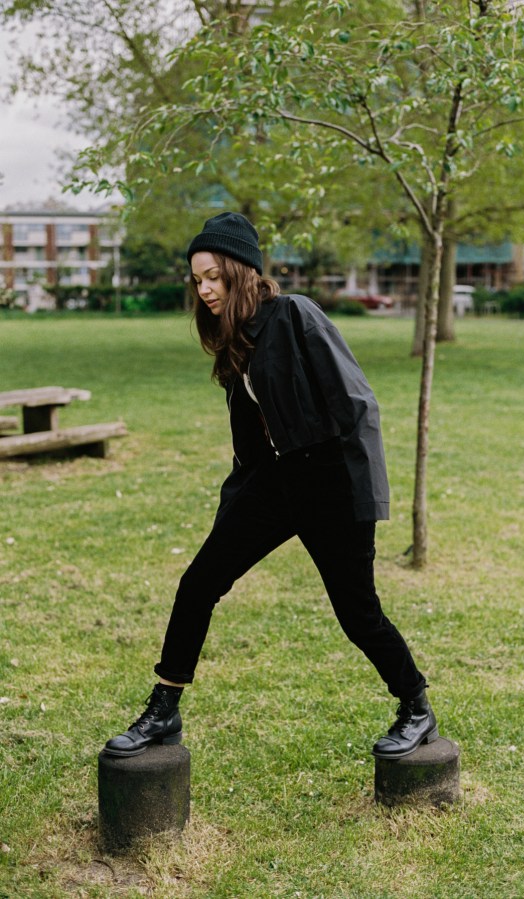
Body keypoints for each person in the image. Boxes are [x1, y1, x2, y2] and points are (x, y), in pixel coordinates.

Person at [104, 212, 437, 762]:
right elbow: (253, 439)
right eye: (197, 280)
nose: (204, 289)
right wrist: (236, 504)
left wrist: (365, 499)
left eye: (212, 276)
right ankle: (165, 708)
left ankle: (416, 707)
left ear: (242, 271)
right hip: (273, 484)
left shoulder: (294, 315)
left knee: (358, 613)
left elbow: (359, 407)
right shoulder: (235, 339)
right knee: (198, 582)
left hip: (330, 483)